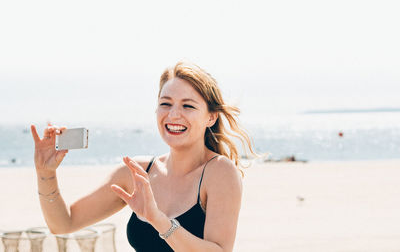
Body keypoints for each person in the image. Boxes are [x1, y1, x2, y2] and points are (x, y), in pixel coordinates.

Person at [31, 61, 255, 251]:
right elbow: (63, 223)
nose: (173, 114)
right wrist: (45, 172)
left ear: (211, 118)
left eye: (188, 106)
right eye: (165, 104)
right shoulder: (137, 172)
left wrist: (157, 219)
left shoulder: (220, 173)